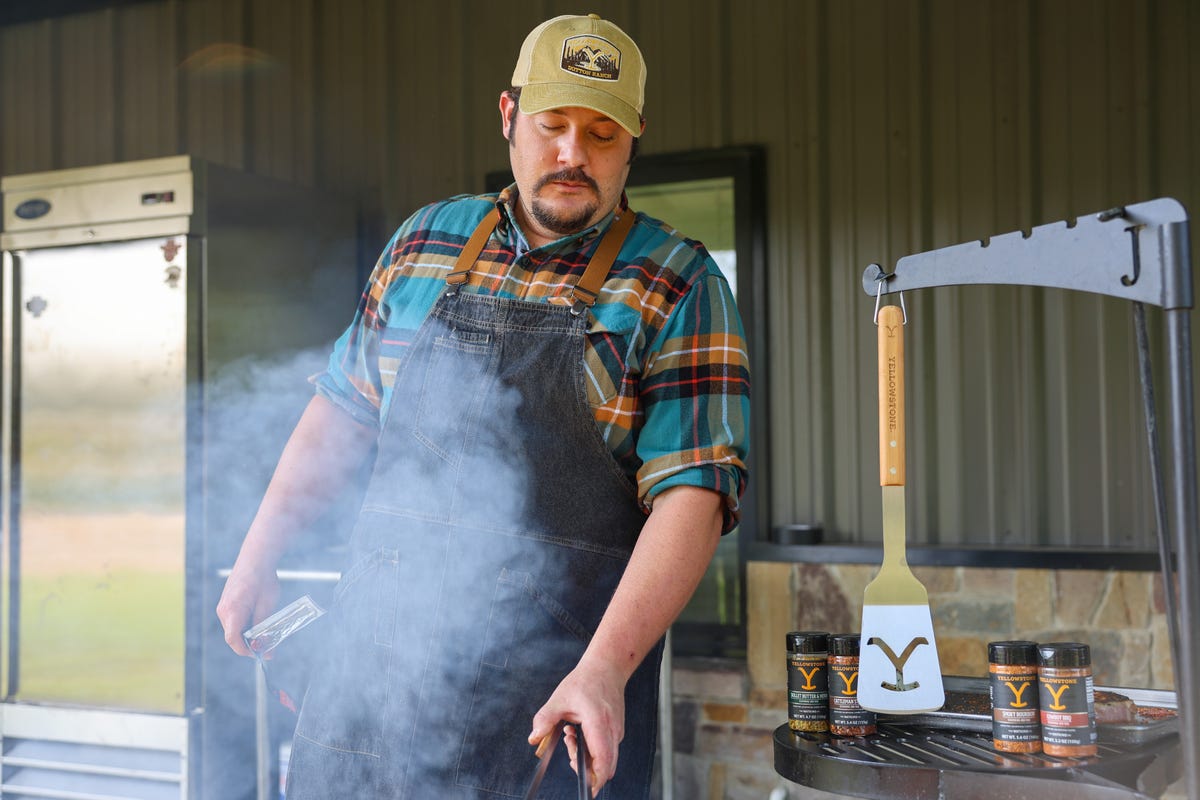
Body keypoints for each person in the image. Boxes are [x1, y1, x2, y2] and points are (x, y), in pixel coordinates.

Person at [216, 12, 749, 799]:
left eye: (601, 133)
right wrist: (257, 558)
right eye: (554, 124)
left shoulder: (679, 285)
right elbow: (341, 413)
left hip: (550, 715)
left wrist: (602, 672)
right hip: (369, 686)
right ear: (508, 117)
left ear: (634, 141)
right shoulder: (422, 242)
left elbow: (694, 495)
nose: (573, 153)